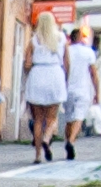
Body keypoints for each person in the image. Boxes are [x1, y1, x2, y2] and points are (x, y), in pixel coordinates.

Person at [22, 11, 68, 163]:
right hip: (55, 75)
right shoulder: (62, 39)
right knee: (52, 118)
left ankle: (37, 156)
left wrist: (28, 72)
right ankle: (47, 139)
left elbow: (27, 64)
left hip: (38, 75)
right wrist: (65, 78)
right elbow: (67, 62)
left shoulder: (33, 40)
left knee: (38, 119)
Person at [62, 28, 99, 161]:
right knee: (79, 117)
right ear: (80, 38)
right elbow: (93, 73)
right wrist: (97, 92)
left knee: (69, 119)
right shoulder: (88, 52)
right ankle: (71, 141)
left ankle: (68, 143)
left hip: (67, 89)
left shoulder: (66, 51)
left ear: (71, 38)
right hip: (82, 89)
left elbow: (63, 69)